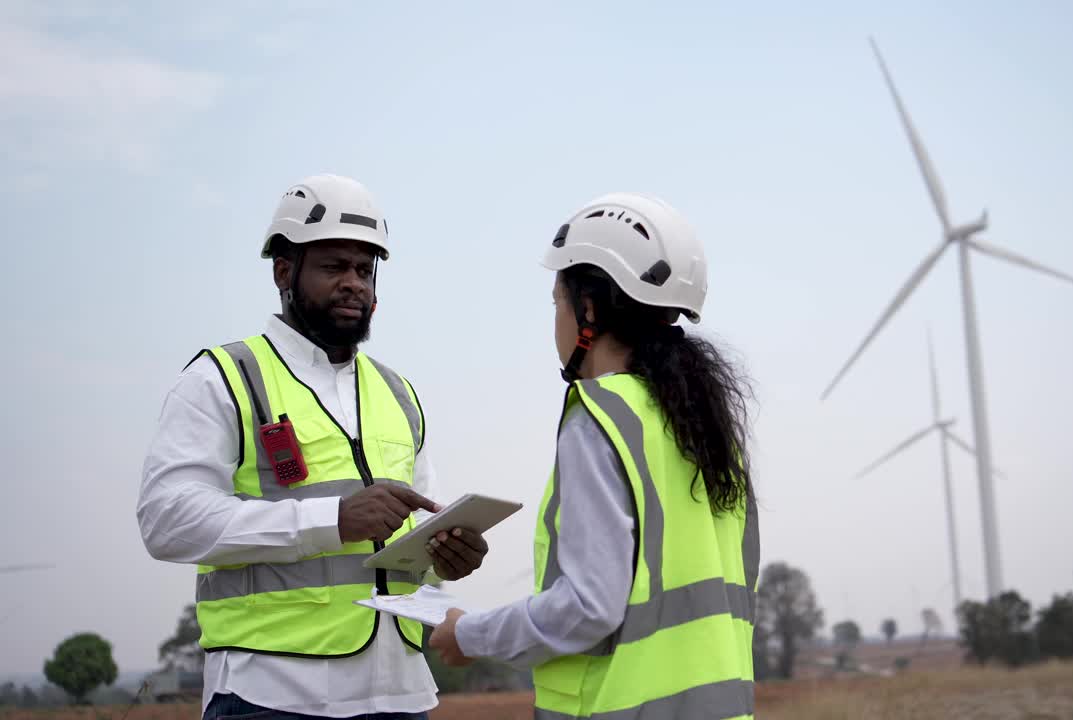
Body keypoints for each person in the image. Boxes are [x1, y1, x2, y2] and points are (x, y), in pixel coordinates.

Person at [137, 174, 488, 720]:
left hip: (400, 694)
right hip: (271, 691)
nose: (354, 283)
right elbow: (166, 521)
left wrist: (447, 557)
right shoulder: (225, 377)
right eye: (334, 267)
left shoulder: (398, 393)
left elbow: (413, 551)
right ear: (284, 270)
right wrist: (333, 519)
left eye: (365, 269)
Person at [429, 192, 761, 719]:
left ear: (587, 309)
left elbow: (588, 607)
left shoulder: (601, 416)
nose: (555, 319)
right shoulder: (707, 430)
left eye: (557, 301)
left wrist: (468, 635)